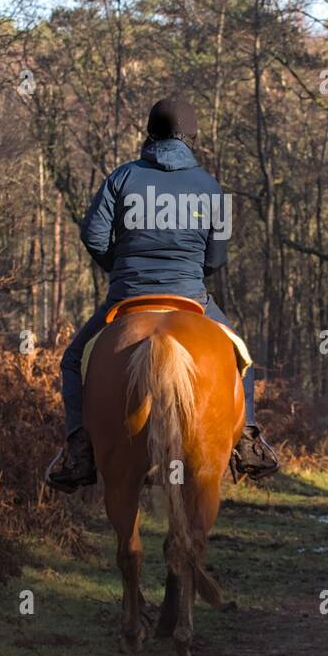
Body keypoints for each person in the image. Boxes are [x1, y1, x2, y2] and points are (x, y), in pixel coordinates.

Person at [46, 96, 279, 488]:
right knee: (242, 357)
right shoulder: (209, 185)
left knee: (72, 360)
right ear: (190, 137)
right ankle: (247, 440)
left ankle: (79, 451)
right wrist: (192, 273)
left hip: (127, 295)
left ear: (150, 133)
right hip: (191, 294)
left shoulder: (122, 177)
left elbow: (93, 235)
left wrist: (120, 269)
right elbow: (217, 256)